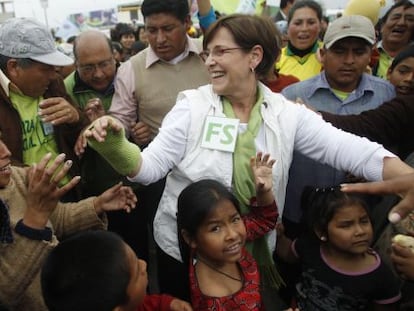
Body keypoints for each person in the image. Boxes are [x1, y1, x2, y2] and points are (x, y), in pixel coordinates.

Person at [84, 13, 414, 304]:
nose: (210, 61)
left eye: (221, 52)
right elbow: (147, 168)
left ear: (254, 56)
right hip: (187, 248)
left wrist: (406, 178)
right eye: (207, 53)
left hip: (251, 245)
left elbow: (353, 149)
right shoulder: (193, 106)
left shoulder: (286, 113)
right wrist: (115, 142)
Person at [281, 15, 396, 240]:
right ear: (322, 55)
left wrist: (374, 173)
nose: (349, 60)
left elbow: (392, 148)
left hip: (363, 220)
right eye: (340, 51)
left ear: (371, 56)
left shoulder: (387, 94)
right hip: (302, 216)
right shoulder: (293, 96)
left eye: (359, 52)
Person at [0, 136, 137, 311]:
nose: (6, 152)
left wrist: (97, 205)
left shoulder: (17, 177)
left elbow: (59, 219)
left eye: (2, 140)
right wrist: (35, 218)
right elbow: (4, 296)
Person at [177, 153, 279, 310]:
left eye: (235, 219)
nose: (232, 234)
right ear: (190, 238)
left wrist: (263, 191)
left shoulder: (215, 248)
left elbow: (264, 220)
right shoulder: (215, 301)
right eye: (215, 228)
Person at [0, 17, 85, 200]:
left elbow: (80, 133)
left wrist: (75, 116)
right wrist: (27, 176)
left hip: (68, 191)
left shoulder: (53, 85)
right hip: (25, 201)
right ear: (14, 67)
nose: (54, 74)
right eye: (46, 68)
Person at [276, 186, 401, 310]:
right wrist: (279, 236)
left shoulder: (381, 277)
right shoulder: (310, 247)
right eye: (346, 225)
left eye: (364, 221)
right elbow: (288, 255)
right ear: (321, 232)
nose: (360, 231)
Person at [41, 230, 192, 311]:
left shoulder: (123, 303)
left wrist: (166, 304)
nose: (144, 264)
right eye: (137, 272)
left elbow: (139, 305)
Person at [275, 0, 323, 81]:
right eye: (297, 23)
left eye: (311, 23)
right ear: (288, 27)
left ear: (320, 26)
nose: (304, 28)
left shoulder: (329, 55)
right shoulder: (275, 59)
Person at [372, 0, 414, 79]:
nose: (401, 23)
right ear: (382, 26)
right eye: (396, 17)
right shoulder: (365, 54)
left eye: (409, 19)